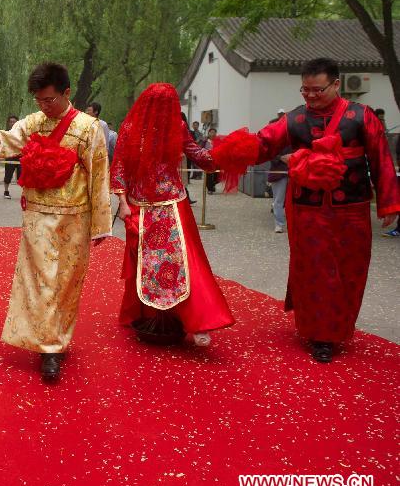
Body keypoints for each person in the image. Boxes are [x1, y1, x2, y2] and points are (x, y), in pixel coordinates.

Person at [215, 58, 399, 363]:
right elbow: (264, 143)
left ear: (336, 85)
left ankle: (339, 327)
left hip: (351, 209)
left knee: (350, 271)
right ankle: (320, 336)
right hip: (308, 210)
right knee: (314, 272)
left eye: (318, 90)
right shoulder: (295, 120)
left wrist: (389, 203)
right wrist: (224, 154)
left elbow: (381, 160)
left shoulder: (361, 116)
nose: (310, 96)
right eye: (305, 90)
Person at [0, 62, 112, 382]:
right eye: (39, 101)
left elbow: (99, 176)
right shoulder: (32, 123)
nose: (44, 107)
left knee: (67, 285)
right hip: (38, 217)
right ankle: (50, 349)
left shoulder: (88, 128)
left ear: (66, 93)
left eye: (49, 100)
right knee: (43, 281)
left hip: (75, 218)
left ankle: (57, 338)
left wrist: (101, 224)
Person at [112, 83, 234, 347]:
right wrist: (121, 202)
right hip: (140, 205)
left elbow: (198, 154)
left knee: (186, 262)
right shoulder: (130, 129)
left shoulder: (176, 128)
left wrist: (227, 155)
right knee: (145, 263)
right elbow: (119, 165)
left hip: (173, 203)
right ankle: (146, 314)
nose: (163, 111)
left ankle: (198, 320)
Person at [267, 120, 291, 234]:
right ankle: (279, 224)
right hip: (278, 172)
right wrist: (281, 158)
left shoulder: (293, 137)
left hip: (293, 172)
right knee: (278, 200)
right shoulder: (272, 140)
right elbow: (268, 154)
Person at [2, 115, 21, 199]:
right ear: (8, 123)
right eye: (11, 121)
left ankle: (24, 193)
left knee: (22, 175)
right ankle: (6, 191)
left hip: (20, 156)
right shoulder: (6, 133)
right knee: (8, 174)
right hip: (10, 156)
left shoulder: (21, 132)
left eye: (14, 121)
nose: (12, 123)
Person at [203, 128, 220, 193]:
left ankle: (212, 185)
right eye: (211, 132)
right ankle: (210, 189)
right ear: (209, 133)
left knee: (217, 175)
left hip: (216, 160)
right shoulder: (205, 141)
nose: (213, 134)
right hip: (208, 160)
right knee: (209, 175)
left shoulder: (218, 141)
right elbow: (201, 149)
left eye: (214, 132)